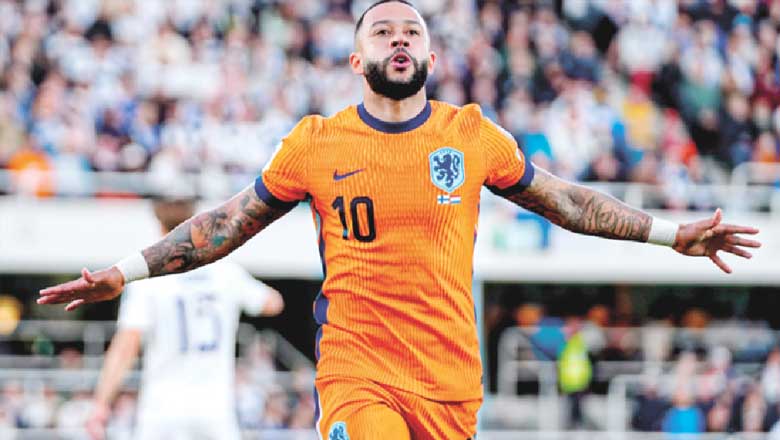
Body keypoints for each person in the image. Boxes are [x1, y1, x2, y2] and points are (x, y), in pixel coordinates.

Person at [39, 1, 761, 438]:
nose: (399, 39)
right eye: (382, 31)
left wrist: (670, 234)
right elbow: (224, 225)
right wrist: (126, 272)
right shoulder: (316, 144)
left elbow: (569, 202)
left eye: (411, 31)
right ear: (357, 59)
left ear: (431, 56)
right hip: (358, 374)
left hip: (451, 384)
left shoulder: (471, 135)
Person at [84, 197, 284, 440]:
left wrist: (101, 403)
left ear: (159, 227)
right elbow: (273, 303)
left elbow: (126, 346)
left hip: (162, 409)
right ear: (194, 223)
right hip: (215, 410)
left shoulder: (148, 280)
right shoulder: (226, 273)